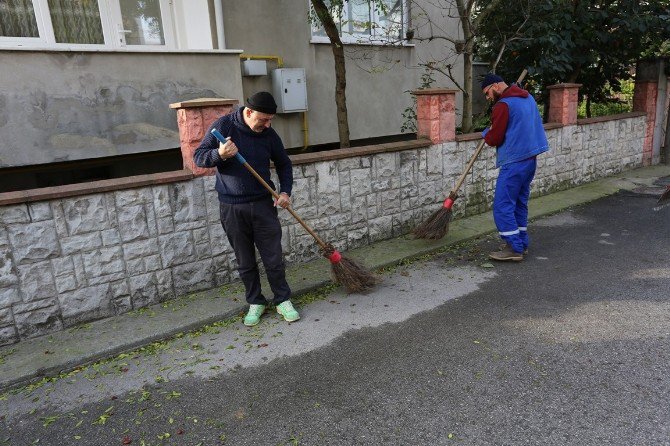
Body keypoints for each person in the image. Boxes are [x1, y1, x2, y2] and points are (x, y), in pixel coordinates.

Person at [194, 91, 299, 326]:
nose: (267, 124)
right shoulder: (224, 126)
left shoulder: (269, 134)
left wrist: (285, 192)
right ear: (249, 112)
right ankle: (256, 301)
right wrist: (219, 154)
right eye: (263, 119)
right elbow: (198, 157)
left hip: (263, 204)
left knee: (273, 257)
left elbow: (284, 163)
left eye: (271, 120)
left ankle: (282, 299)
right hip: (232, 207)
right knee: (244, 260)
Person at [480, 73, 549, 261]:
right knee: (519, 202)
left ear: (494, 86)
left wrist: (486, 133)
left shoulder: (503, 105)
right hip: (530, 160)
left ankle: (513, 248)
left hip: (514, 161)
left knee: (503, 205)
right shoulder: (527, 98)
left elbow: (495, 139)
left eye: (487, 93)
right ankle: (521, 243)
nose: (488, 98)